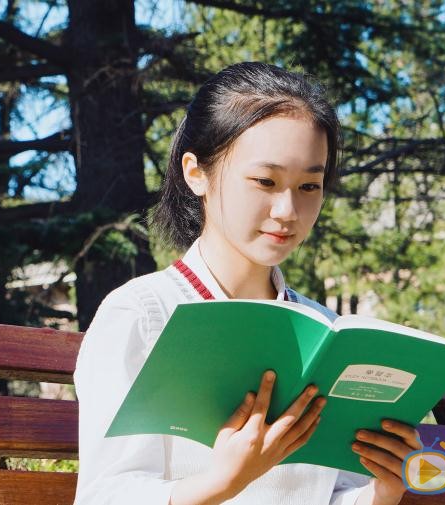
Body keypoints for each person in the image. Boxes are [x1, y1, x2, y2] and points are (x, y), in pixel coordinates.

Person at [73, 62, 422, 505]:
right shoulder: (144, 315)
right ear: (196, 172)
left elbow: (334, 496)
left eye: (309, 186)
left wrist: (383, 490)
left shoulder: (325, 332)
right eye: (265, 181)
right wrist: (223, 483)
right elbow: (104, 495)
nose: (287, 211)